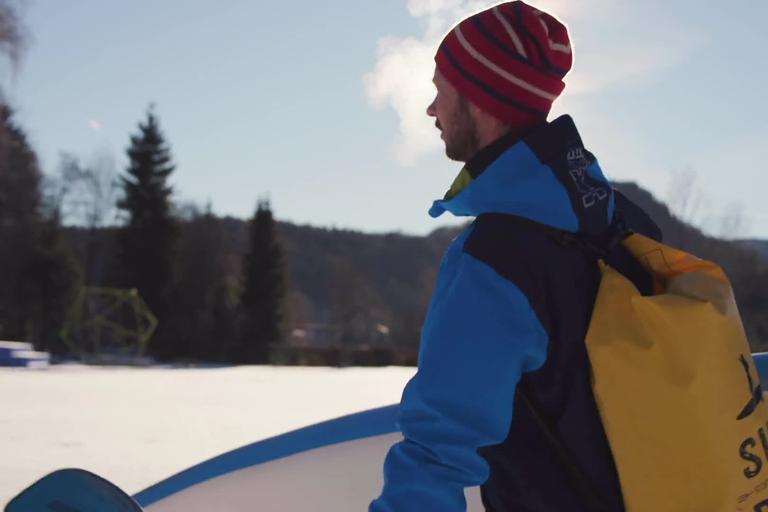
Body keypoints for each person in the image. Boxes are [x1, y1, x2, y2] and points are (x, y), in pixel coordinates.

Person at [369, 2, 662, 511]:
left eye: (440, 91)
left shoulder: (494, 260)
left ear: (479, 98)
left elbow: (436, 452)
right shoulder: (628, 224)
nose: (432, 110)